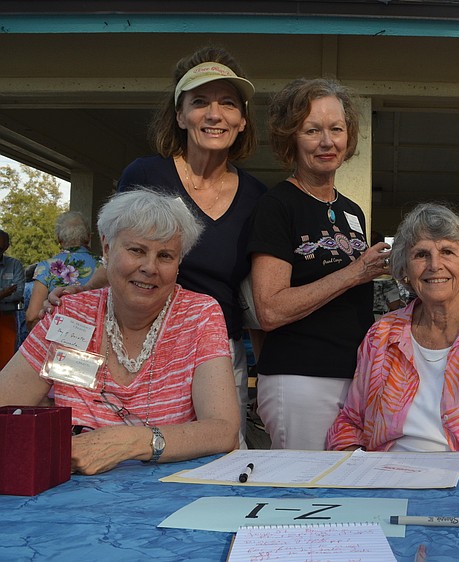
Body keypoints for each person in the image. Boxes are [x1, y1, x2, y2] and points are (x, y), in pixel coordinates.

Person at [46, 46, 266, 445]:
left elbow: (257, 293)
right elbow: (121, 256)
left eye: (228, 104)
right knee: (107, 443)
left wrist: (267, 374)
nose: (214, 114)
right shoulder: (145, 174)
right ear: (180, 115)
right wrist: (77, 294)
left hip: (212, 352)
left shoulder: (257, 197)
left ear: (242, 121)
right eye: (200, 102)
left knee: (219, 452)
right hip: (131, 339)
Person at [0, 190, 240, 474]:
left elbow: (224, 430)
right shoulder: (71, 313)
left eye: (165, 256)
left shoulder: (199, 315)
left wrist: (130, 443)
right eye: (137, 250)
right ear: (106, 248)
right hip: (69, 497)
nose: (149, 267)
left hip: (170, 492)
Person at [248, 78, 390, 450]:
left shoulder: (351, 211)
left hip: (354, 377)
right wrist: (355, 272)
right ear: (290, 138)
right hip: (300, 379)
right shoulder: (277, 206)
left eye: (336, 129)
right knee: (307, 496)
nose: (327, 142)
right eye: (312, 130)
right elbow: (270, 309)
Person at [327, 203, 459, 451]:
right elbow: (350, 422)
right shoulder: (382, 335)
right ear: (405, 272)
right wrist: (356, 471)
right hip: (384, 476)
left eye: (447, 251)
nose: (434, 265)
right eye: (421, 254)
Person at [26, 211, 100, 330]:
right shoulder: (104, 266)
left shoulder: (46, 267)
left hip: (57, 337)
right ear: (89, 237)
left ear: (59, 239)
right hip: (96, 336)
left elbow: (32, 316)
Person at [0, 229, 24, 368]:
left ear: (7, 246)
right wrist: (4, 293)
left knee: (6, 362)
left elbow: (18, 293)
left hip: (7, 317)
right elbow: (11, 294)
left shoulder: (14, 265)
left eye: (1, 248)